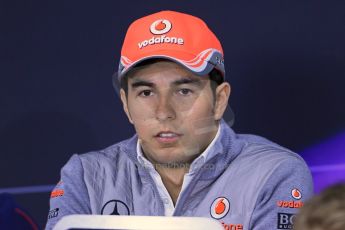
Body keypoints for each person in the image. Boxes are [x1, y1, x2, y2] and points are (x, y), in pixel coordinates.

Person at [45, 10, 314, 230]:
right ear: (126, 104)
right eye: (146, 92)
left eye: (184, 91)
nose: (164, 111)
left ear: (220, 100)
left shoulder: (275, 172)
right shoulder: (84, 175)